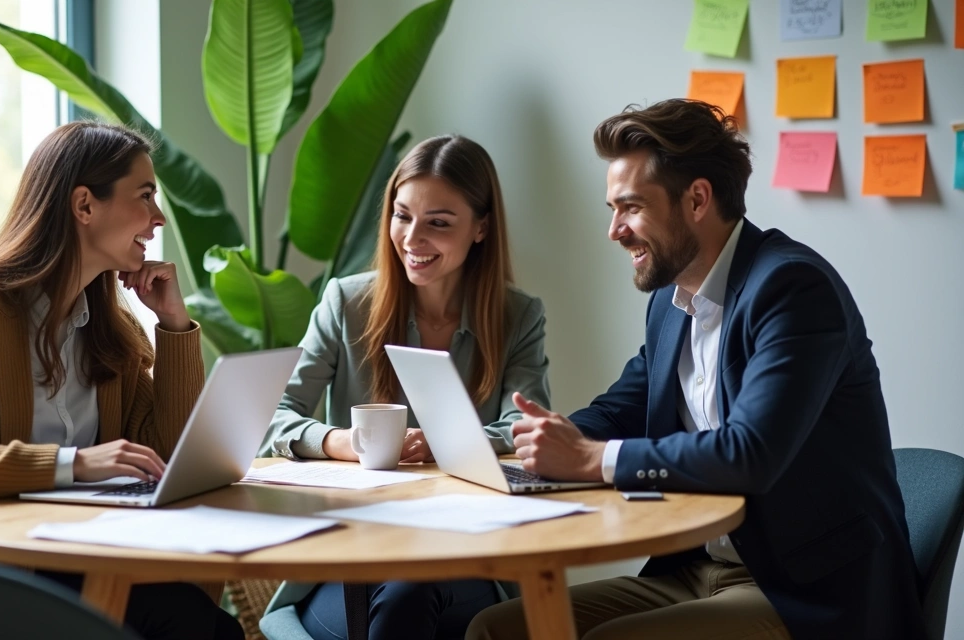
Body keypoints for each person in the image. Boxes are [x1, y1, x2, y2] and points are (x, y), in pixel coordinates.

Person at [465, 99, 926, 640]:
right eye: (612, 209)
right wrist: (530, 444)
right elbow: (624, 407)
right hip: (694, 567)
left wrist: (591, 460)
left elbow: (749, 452)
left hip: (805, 590)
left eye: (631, 208)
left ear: (698, 199)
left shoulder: (793, 290)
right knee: (497, 629)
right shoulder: (670, 299)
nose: (614, 231)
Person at [0, 121, 243, 640]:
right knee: (191, 625)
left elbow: (168, 457)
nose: (159, 219)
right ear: (84, 206)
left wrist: (175, 328)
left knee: (200, 623)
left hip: (79, 562)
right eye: (145, 197)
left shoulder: (116, 333)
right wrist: (76, 464)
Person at [259, 135, 551, 639]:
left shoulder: (518, 315)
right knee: (396, 597)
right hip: (355, 543)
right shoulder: (346, 302)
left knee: (408, 594)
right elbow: (273, 415)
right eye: (402, 215)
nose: (412, 238)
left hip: (465, 549)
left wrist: (444, 442)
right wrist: (341, 442)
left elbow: (528, 428)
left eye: (438, 223)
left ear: (481, 228)